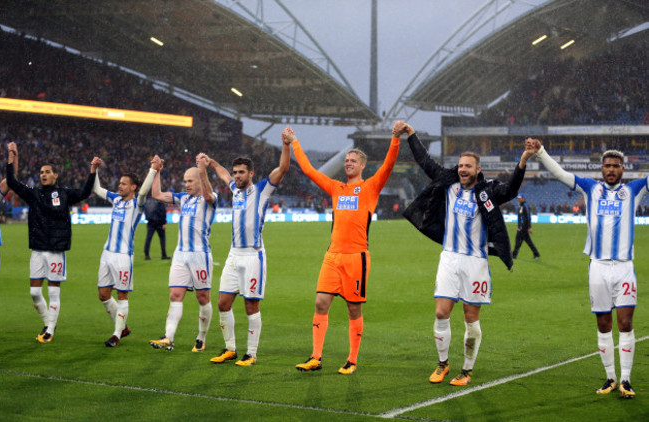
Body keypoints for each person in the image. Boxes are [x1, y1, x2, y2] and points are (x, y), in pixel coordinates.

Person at [402, 123, 532, 386]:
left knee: (471, 318)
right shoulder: (448, 185)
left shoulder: (487, 192)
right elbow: (426, 162)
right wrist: (411, 134)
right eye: (460, 165)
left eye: (468, 166)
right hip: (449, 259)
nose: (463, 169)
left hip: (475, 263)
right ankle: (442, 364)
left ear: (477, 170)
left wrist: (523, 160)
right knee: (441, 313)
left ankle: (467, 369)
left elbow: (510, 191)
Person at [529, 139, 644, 399]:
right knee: (603, 324)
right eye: (607, 166)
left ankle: (626, 379)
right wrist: (541, 152)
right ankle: (610, 378)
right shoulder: (590, 188)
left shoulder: (634, 190)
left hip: (624, 267)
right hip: (598, 267)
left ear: (623, 169)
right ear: (601, 169)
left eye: (616, 166)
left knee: (625, 323)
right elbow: (560, 174)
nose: (611, 169)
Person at [283, 122, 401, 375]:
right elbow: (309, 170)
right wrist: (295, 142)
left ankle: (352, 360)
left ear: (362, 166)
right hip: (332, 256)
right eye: (346, 159)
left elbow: (388, 165)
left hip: (356, 257)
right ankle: (315, 357)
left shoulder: (369, 188)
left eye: (352, 160)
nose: (347, 163)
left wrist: (394, 138)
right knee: (320, 303)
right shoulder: (336, 188)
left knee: (353, 308)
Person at [205, 138, 290, 367]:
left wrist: (285, 145)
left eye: (241, 172)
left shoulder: (262, 189)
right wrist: (212, 162)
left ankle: (251, 353)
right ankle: (230, 349)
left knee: (251, 305)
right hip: (234, 255)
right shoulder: (234, 189)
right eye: (235, 172)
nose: (236, 176)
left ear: (251, 173)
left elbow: (282, 168)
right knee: (223, 303)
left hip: (253, 255)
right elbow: (223, 174)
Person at [6, 141, 97, 343]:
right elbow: (11, 182)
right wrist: (11, 157)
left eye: (47, 171)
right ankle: (48, 322)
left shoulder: (64, 193)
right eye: (41, 172)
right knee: (34, 293)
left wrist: (92, 171)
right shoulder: (33, 194)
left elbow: (84, 192)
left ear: (56, 175)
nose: (43, 174)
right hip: (38, 250)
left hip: (56, 250)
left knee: (53, 292)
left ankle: (50, 330)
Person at [148, 154, 217, 352]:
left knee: (203, 298)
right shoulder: (183, 198)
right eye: (185, 181)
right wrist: (156, 171)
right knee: (175, 295)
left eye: (190, 181)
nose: (186, 184)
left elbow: (208, 194)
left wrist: (203, 169)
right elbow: (157, 195)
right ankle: (168, 337)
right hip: (180, 255)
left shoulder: (210, 199)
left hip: (200, 255)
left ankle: (201, 338)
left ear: (199, 181)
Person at [92, 157, 156, 347]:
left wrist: (152, 169)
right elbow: (96, 189)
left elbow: (145, 191)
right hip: (107, 254)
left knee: (122, 295)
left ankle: (117, 334)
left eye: (124, 184)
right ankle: (123, 328)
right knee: (103, 295)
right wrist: (93, 169)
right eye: (119, 183)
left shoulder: (137, 204)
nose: (119, 186)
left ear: (133, 187)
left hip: (123, 256)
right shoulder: (116, 200)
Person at [511, 194, 540, 259]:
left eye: (520, 198)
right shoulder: (520, 206)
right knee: (526, 241)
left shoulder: (525, 206)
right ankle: (536, 254)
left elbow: (528, 217)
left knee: (518, 240)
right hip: (521, 227)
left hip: (524, 227)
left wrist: (529, 227)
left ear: (523, 198)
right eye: (518, 198)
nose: (518, 199)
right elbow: (519, 218)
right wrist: (518, 226)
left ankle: (514, 255)